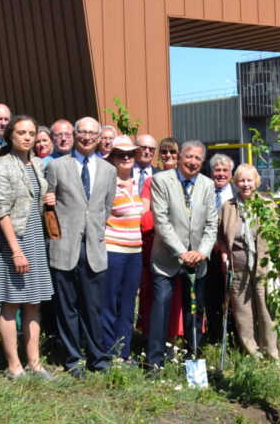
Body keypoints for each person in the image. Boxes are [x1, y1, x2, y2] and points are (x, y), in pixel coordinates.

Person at [46, 117, 117, 377]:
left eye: (92, 133)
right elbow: (49, 208)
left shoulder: (108, 170)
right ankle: (73, 359)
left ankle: (98, 358)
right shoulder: (56, 166)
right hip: (64, 246)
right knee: (67, 307)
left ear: (99, 137)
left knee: (93, 307)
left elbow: (105, 208)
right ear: (75, 135)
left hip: (94, 248)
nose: (87, 137)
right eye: (82, 132)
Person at [0, 115, 55, 380]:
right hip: (15, 241)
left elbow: (35, 202)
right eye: (21, 132)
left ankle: (35, 363)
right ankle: (13, 365)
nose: (28, 137)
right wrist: (16, 250)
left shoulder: (38, 164)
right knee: (11, 304)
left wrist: (47, 198)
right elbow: (1, 210)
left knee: (34, 303)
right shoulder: (2, 164)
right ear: (10, 135)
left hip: (37, 240)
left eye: (31, 133)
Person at [147, 139, 217, 373]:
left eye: (198, 158)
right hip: (166, 257)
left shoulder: (207, 185)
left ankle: (193, 358)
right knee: (162, 307)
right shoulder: (161, 181)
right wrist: (181, 252)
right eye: (189, 156)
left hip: (197, 259)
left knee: (194, 311)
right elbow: (162, 220)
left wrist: (202, 252)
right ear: (179, 158)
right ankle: (154, 362)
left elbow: (211, 223)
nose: (193, 161)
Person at [217, 164, 278, 359]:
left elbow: (278, 238)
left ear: (256, 182)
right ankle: (252, 354)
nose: (245, 184)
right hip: (238, 268)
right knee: (244, 315)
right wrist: (224, 250)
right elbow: (219, 235)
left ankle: (272, 354)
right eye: (241, 180)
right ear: (235, 182)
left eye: (249, 180)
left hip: (263, 268)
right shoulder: (228, 207)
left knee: (266, 312)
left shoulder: (268, 205)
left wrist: (275, 265)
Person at [101, 136, 144, 362]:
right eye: (120, 154)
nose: (126, 158)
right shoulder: (108, 183)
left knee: (128, 304)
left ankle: (124, 352)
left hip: (135, 252)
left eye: (129, 154)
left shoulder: (140, 182)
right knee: (110, 303)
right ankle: (109, 352)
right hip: (113, 250)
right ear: (113, 158)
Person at [136, 137, 183, 339]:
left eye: (173, 152)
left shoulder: (184, 179)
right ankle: (152, 335)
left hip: (180, 243)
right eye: (164, 152)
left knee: (179, 294)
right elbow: (144, 215)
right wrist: (163, 221)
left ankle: (176, 336)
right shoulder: (150, 181)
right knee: (153, 293)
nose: (168, 156)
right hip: (155, 242)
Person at [205, 153, 236, 342]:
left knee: (231, 293)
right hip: (208, 251)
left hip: (230, 252)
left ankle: (231, 333)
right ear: (211, 172)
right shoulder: (205, 190)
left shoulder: (235, 192)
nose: (221, 174)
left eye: (225, 170)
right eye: (217, 170)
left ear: (231, 173)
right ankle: (214, 333)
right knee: (211, 293)